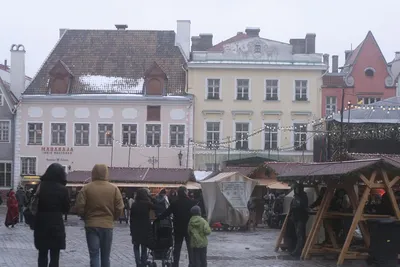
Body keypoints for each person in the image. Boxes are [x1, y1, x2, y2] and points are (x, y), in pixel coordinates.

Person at [76, 164, 124, 267]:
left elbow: (80, 206)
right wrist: (113, 218)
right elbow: (120, 207)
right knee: (105, 256)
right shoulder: (114, 189)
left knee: (94, 255)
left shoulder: (86, 188)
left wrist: (85, 217)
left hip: (91, 225)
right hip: (107, 225)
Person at [34, 163, 70, 267]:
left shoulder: (40, 186)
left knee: (42, 254)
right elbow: (66, 208)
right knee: (55, 255)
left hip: (41, 223)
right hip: (56, 224)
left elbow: (33, 203)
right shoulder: (63, 189)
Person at [158, 186, 195, 267]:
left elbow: (166, 213)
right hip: (189, 228)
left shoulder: (175, 203)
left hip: (178, 228)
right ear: (186, 192)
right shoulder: (191, 202)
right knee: (190, 247)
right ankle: (192, 263)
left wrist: (158, 218)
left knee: (177, 248)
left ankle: (175, 264)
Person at [130, 188, 156, 267]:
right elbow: (156, 205)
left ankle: (138, 263)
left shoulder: (134, 204)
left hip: (135, 227)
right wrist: (150, 197)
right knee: (144, 246)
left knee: (136, 246)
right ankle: (143, 262)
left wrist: (131, 229)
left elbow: (131, 218)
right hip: (145, 227)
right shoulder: (147, 203)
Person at [289, 183, 309, 258]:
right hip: (296, 217)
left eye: (298, 188)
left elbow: (304, 206)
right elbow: (292, 206)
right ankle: (297, 248)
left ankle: (299, 250)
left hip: (301, 217)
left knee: (299, 233)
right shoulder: (295, 197)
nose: (296, 190)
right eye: (295, 188)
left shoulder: (303, 196)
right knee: (298, 234)